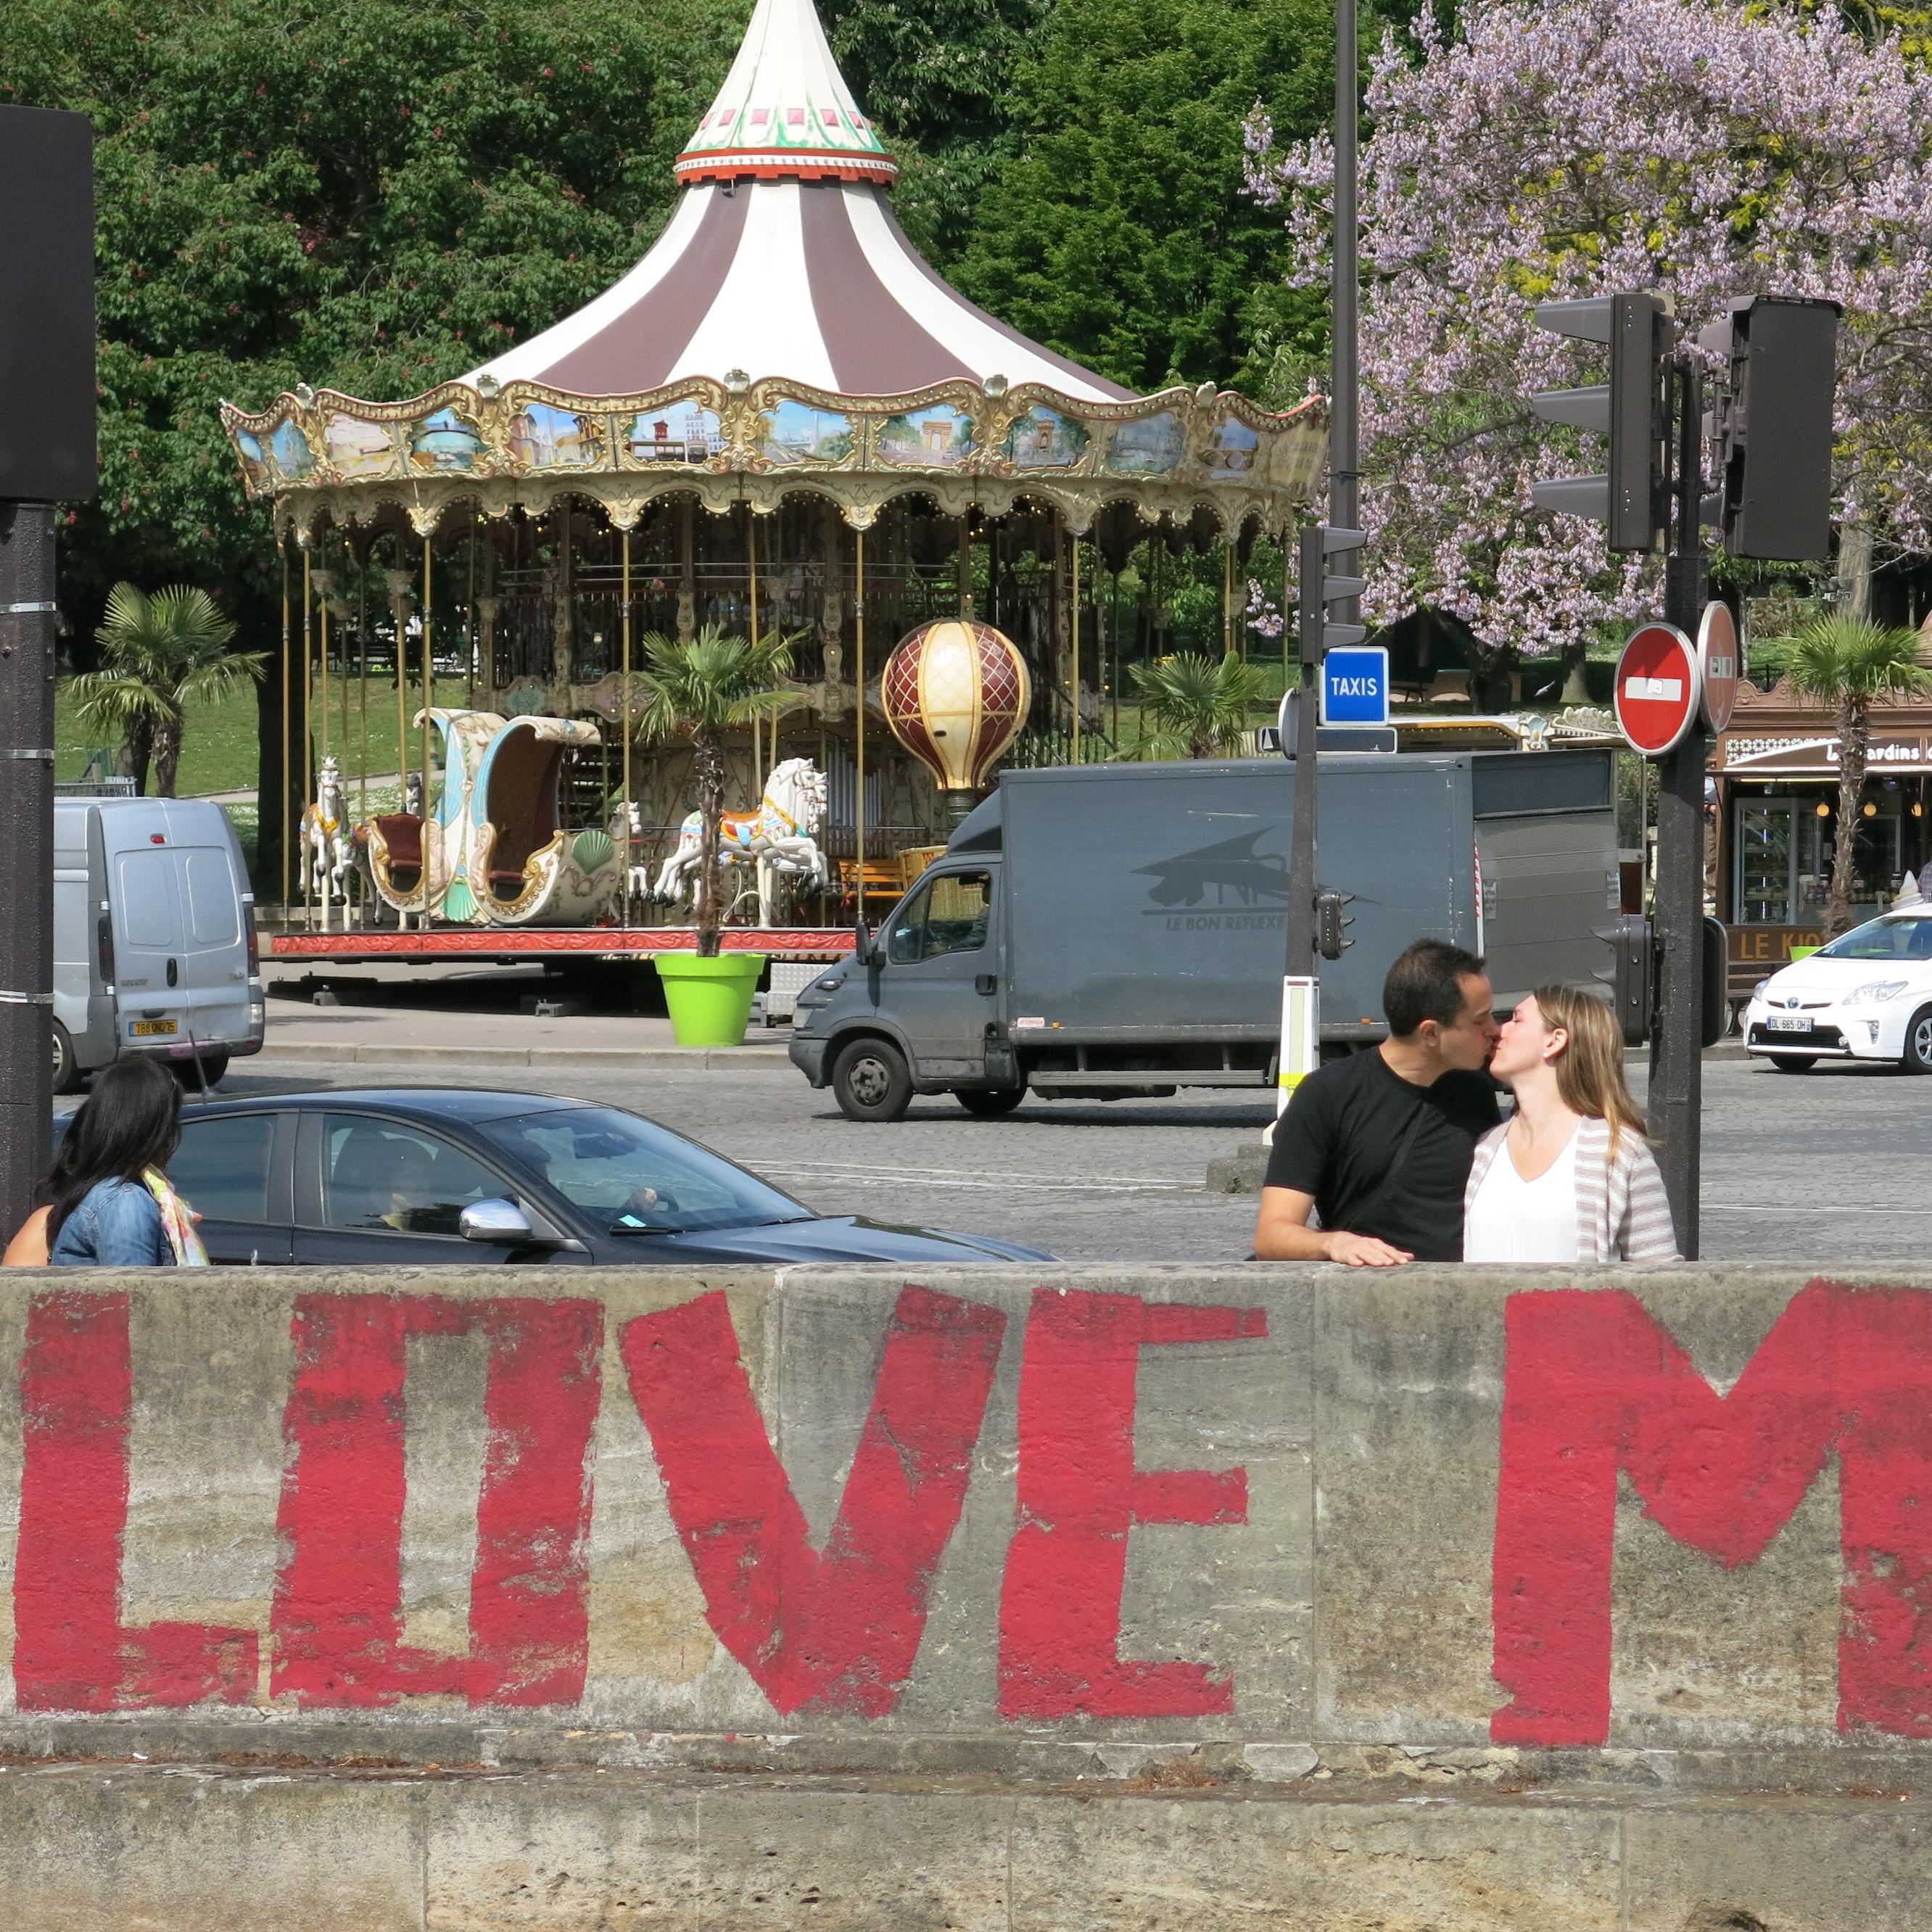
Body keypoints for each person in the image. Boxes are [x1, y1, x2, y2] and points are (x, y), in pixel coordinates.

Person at [1253, 939, 1502, 1266]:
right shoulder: (1327, 1094)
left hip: (1460, 1294)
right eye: (1480, 1020)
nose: (1495, 1030)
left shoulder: (1476, 1090)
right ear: (1430, 1034)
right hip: (1367, 1295)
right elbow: (1271, 1236)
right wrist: (1333, 1244)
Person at [1463, 983, 1679, 1264]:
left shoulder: (1619, 1152)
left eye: (1516, 1019)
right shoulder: (1486, 1148)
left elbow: (1660, 1279)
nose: (1498, 1031)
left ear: (1555, 1041)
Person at [43, 1058, 208, 1268]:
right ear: (155, 1132)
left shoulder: (109, 1191)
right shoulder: (125, 1202)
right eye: (171, 1125)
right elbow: (135, 1294)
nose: (171, 1141)